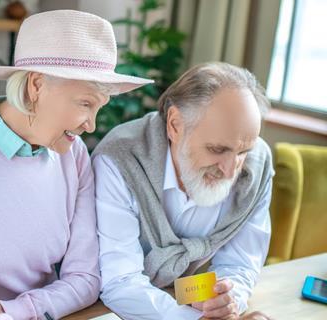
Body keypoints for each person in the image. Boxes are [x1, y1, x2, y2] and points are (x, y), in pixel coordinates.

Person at [0, 9, 153, 320]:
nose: (91, 125)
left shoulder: (74, 157)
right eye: (85, 104)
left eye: (99, 107)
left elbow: (86, 280)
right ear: (36, 86)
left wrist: (11, 309)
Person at [92, 62, 274, 320]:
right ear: (175, 125)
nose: (231, 170)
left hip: (188, 303)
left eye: (243, 152)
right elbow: (120, 281)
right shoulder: (120, 159)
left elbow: (240, 264)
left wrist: (224, 301)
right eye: (217, 150)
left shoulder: (258, 164)